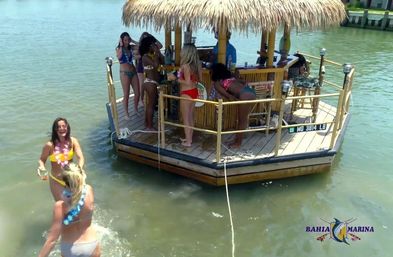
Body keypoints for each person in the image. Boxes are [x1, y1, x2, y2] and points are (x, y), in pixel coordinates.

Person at [38, 163, 100, 257]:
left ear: (64, 181)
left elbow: (52, 240)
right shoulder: (89, 190)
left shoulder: (60, 205)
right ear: (81, 176)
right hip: (92, 244)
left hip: (71, 249)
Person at [38, 117, 85, 201]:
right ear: (55, 130)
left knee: (76, 203)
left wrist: (79, 169)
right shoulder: (49, 145)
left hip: (72, 178)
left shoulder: (73, 141)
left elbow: (80, 157)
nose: (61, 128)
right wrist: (42, 168)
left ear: (67, 127)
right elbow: (42, 160)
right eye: (58, 127)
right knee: (61, 205)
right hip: (56, 180)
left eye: (64, 126)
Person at [210, 63, 256, 148]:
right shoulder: (231, 78)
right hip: (250, 92)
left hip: (244, 95)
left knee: (242, 120)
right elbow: (244, 82)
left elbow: (229, 97)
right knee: (243, 119)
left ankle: (238, 143)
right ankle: (238, 140)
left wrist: (235, 97)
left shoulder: (217, 83)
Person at [168, 44, 202, 147]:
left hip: (186, 93)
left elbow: (186, 82)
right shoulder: (197, 65)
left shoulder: (186, 66)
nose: (181, 51)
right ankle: (189, 138)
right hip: (194, 91)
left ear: (187, 53)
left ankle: (188, 142)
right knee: (190, 117)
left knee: (186, 118)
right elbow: (199, 79)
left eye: (183, 50)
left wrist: (174, 79)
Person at [139, 36, 164, 130]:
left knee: (151, 104)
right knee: (151, 105)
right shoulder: (145, 57)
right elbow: (155, 65)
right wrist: (157, 52)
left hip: (152, 82)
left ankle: (147, 123)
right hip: (150, 83)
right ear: (149, 45)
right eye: (153, 44)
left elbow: (163, 61)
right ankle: (149, 126)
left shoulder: (151, 55)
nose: (155, 45)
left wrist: (158, 53)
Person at [116, 32, 140, 119]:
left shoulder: (131, 47)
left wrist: (132, 40)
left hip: (133, 72)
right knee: (126, 94)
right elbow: (119, 56)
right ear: (122, 40)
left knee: (137, 92)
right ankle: (126, 114)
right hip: (124, 73)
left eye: (128, 40)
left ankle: (136, 109)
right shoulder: (119, 49)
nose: (127, 42)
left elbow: (140, 46)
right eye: (125, 40)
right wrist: (121, 45)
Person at [136, 32, 163, 106]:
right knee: (142, 84)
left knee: (145, 84)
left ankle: (144, 100)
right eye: (144, 37)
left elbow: (160, 45)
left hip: (150, 67)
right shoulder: (142, 46)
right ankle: (141, 100)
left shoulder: (150, 46)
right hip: (142, 66)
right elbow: (137, 55)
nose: (145, 38)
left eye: (147, 36)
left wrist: (153, 38)